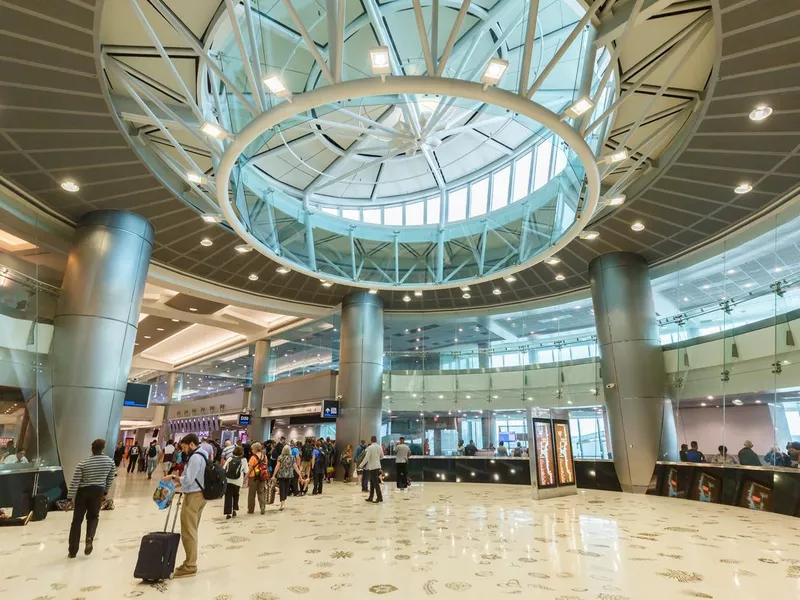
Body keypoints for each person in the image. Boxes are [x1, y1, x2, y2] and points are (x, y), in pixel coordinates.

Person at [161, 433, 208, 578]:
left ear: (191, 444)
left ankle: (190, 565)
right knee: (191, 529)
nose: (184, 450)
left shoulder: (195, 457)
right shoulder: (204, 453)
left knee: (189, 531)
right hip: (200, 494)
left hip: (194, 496)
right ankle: (190, 562)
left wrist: (173, 477)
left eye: (185, 447)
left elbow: (189, 479)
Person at [66, 439, 116, 558]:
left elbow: (75, 481)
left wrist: (69, 498)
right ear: (102, 448)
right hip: (98, 491)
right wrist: (105, 492)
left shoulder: (83, 463)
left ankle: (73, 550)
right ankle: (89, 539)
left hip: (83, 492)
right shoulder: (110, 462)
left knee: (77, 521)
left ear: (92, 449)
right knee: (93, 517)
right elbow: (110, 478)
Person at [275, 445, 305, 510]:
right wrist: (300, 475)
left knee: (282, 488)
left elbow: (277, 466)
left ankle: (282, 502)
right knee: (286, 488)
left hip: (281, 475)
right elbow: (296, 467)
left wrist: (273, 475)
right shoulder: (292, 457)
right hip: (289, 475)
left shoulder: (280, 457)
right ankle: (283, 500)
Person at [359, 436, 384, 503]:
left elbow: (366, 458)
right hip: (378, 466)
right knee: (372, 482)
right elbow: (382, 456)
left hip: (372, 467)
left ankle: (379, 497)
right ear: (376, 440)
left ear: (371, 440)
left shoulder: (370, 448)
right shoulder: (379, 447)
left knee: (375, 483)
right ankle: (371, 497)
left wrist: (361, 465)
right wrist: (377, 459)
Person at [223, 446, 245, 519]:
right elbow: (246, 470)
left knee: (228, 496)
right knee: (236, 495)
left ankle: (228, 513)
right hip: (238, 481)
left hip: (228, 480)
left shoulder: (230, 458)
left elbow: (224, 468)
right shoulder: (243, 460)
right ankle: (234, 510)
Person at [247, 442, 268, 514]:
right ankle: (262, 506)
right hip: (262, 476)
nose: (252, 450)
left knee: (251, 494)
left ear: (255, 449)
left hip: (253, 477)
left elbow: (249, 469)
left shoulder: (253, 458)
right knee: (261, 492)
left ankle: (251, 509)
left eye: (252, 449)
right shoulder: (264, 456)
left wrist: (245, 477)